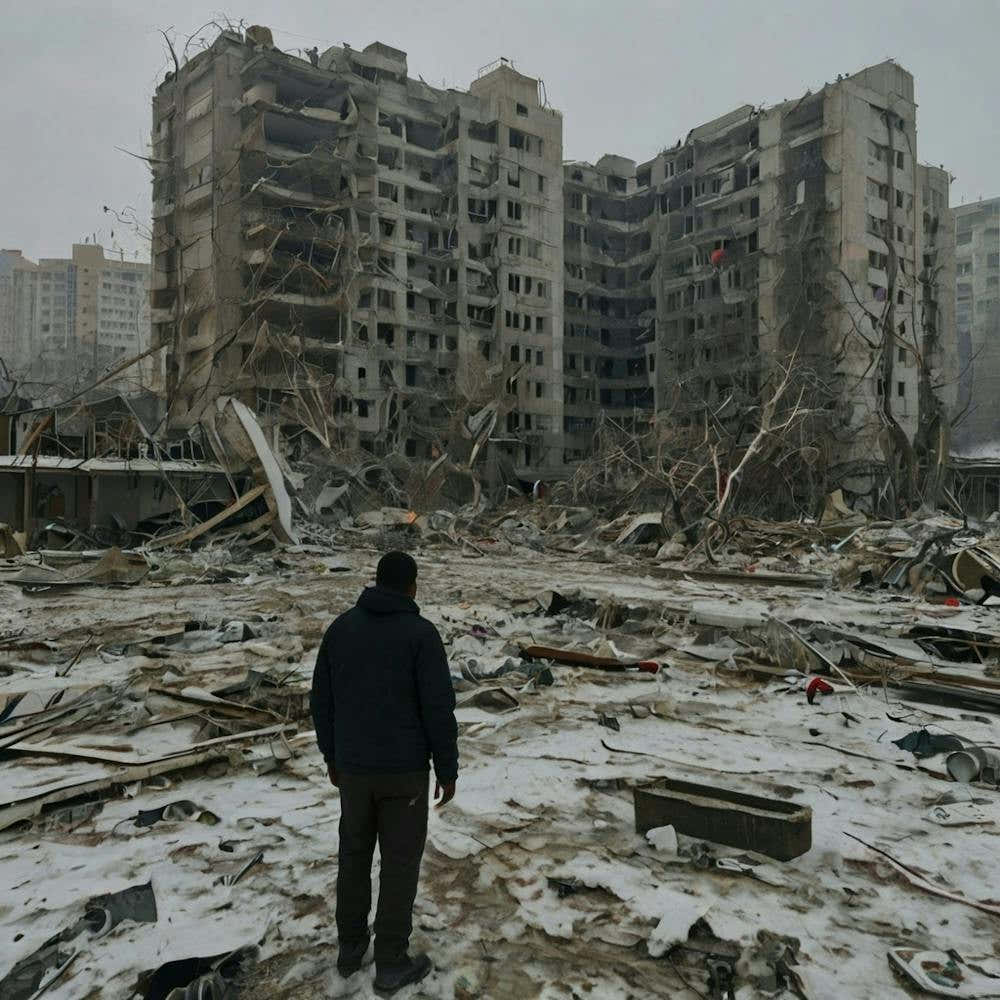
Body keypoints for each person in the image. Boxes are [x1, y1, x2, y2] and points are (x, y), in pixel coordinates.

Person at [310, 551, 458, 996]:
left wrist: (332, 757)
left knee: (353, 856)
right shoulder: (422, 635)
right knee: (399, 864)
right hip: (404, 775)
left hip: (354, 771)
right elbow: (438, 709)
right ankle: (391, 960)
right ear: (411, 586)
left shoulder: (341, 629)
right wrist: (447, 768)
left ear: (377, 582)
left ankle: (351, 947)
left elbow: (321, 700)